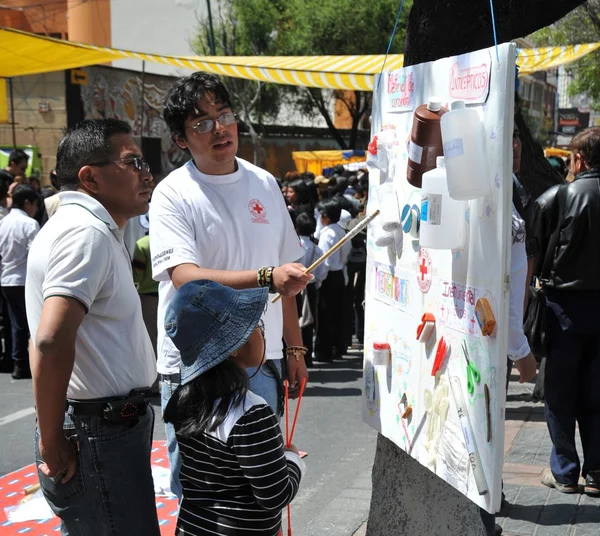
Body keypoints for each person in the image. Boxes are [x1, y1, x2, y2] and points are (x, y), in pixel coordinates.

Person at [149, 72, 311, 499]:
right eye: (201, 123)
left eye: (224, 115)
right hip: (196, 366)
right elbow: (184, 275)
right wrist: (265, 277)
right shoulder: (172, 193)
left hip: (261, 359)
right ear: (181, 139)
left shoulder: (264, 183)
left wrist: (293, 348)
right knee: (199, 490)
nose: (219, 128)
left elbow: (287, 271)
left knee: (260, 489)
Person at [25, 118, 160, 535]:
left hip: (102, 427)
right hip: (98, 430)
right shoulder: (86, 233)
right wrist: (51, 439)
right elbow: (49, 341)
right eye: (133, 162)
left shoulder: (88, 228)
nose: (146, 172)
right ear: (90, 177)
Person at [163, 280, 305, 535]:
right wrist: (292, 459)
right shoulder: (251, 413)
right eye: (257, 326)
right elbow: (274, 495)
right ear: (237, 346)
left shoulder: (183, 401)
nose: (262, 332)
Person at [530, 126, 600, 497]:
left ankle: (565, 471)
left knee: (559, 392)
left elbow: (532, 251)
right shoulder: (559, 196)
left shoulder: (558, 196)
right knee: (596, 391)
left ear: (579, 159)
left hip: (564, 309)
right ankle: (597, 471)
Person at [507, 125, 537, 386]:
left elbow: (523, 262)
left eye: (516, 136)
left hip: (509, 326)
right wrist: (517, 345)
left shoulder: (515, 186)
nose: (515, 145)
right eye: (508, 136)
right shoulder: (489, 192)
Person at [0, 184, 40, 379]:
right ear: (27, 203)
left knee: (11, 323)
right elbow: (37, 254)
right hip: (23, 280)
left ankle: (11, 360)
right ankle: (21, 364)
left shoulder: (4, 222)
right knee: (24, 324)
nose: (36, 209)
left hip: (6, 279)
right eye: (35, 204)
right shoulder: (29, 224)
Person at [314, 197, 351, 362]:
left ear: (325, 216)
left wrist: (319, 281)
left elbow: (324, 262)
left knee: (325, 316)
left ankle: (325, 351)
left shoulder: (327, 234)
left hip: (328, 277)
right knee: (337, 314)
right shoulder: (342, 231)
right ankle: (337, 348)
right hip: (339, 275)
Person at [295, 212, 327, 366]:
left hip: (294, 287)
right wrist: (317, 283)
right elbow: (322, 271)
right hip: (311, 287)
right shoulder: (317, 249)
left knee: (295, 322)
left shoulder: (296, 247)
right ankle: (307, 357)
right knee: (309, 322)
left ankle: (294, 355)